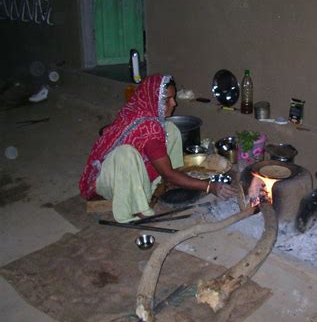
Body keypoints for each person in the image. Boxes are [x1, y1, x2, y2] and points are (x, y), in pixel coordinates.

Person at [79, 74, 236, 222]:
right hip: (110, 180)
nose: (174, 103)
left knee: (171, 129)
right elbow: (165, 168)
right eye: (167, 100)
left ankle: (165, 182)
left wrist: (172, 177)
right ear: (153, 100)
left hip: (131, 169)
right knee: (126, 154)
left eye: (174, 98)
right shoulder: (148, 127)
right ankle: (137, 207)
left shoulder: (143, 111)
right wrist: (210, 186)